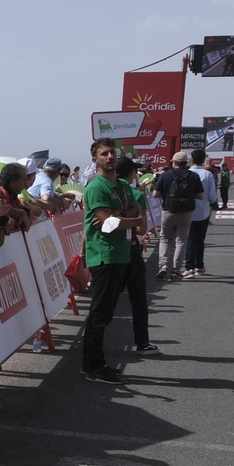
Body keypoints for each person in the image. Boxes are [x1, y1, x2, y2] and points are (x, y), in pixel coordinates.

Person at [80, 138, 147, 384]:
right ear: (95, 160)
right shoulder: (96, 187)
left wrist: (120, 217)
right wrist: (124, 218)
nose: (110, 157)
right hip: (104, 256)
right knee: (100, 314)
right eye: (104, 153)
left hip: (122, 255)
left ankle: (96, 363)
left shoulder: (121, 185)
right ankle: (92, 365)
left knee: (106, 314)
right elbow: (108, 225)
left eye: (112, 153)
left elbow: (131, 215)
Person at [116, 156, 158, 356]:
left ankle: (93, 352)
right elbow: (142, 229)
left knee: (105, 303)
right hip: (131, 249)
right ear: (130, 173)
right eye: (135, 170)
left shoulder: (106, 191)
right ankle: (142, 342)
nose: (137, 174)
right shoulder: (135, 195)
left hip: (110, 252)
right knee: (138, 300)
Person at [151, 149, 200, 280]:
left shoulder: (166, 175)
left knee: (165, 239)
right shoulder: (193, 176)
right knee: (181, 241)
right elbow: (201, 195)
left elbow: (155, 194)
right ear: (186, 163)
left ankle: (163, 266)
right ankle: (176, 270)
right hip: (187, 212)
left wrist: (166, 195)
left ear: (174, 162)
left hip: (169, 210)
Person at [184, 151, 219, 277]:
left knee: (189, 239)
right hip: (203, 210)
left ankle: (189, 267)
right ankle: (199, 265)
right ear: (203, 160)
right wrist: (211, 202)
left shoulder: (187, 173)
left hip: (186, 209)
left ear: (191, 159)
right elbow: (213, 195)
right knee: (200, 239)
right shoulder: (207, 174)